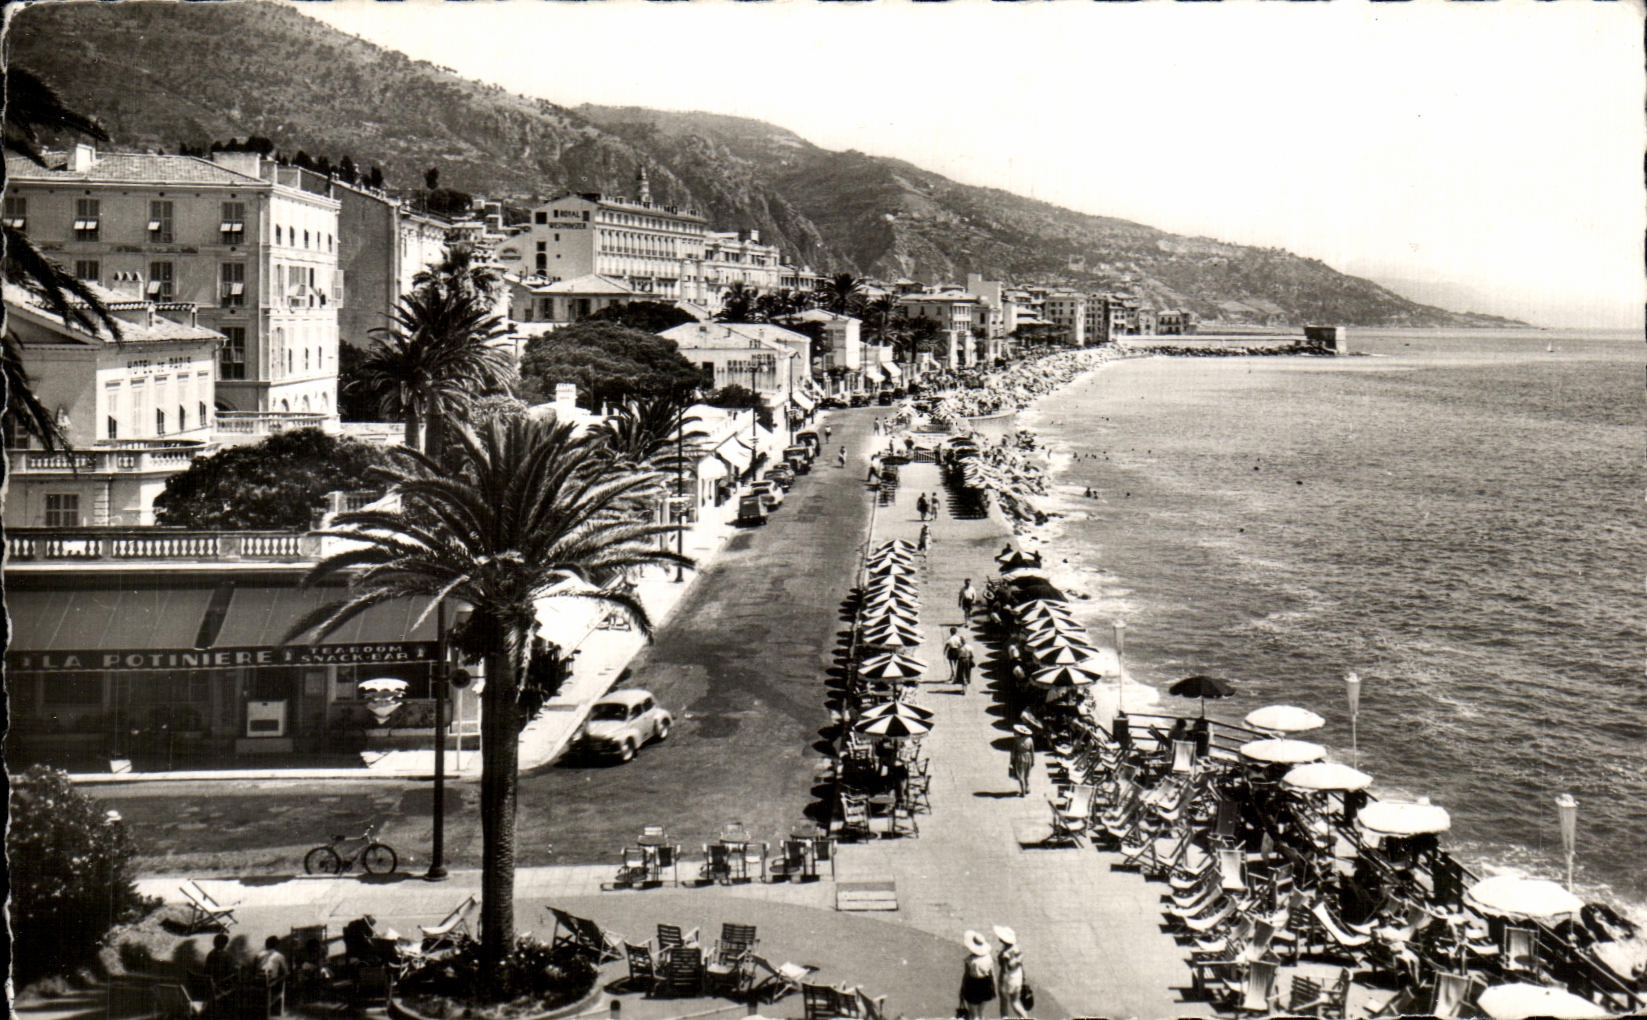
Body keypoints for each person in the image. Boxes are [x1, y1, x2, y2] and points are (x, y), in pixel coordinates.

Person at [958, 931, 996, 1020]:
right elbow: (992, 974)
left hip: (973, 984)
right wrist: (993, 987)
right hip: (986, 983)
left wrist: (962, 989)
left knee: (973, 1013)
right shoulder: (989, 958)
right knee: (981, 1012)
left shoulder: (970, 960)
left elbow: (966, 975)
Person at [994, 926, 1029, 1018]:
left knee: (1004, 1003)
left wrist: (1001, 957)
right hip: (1017, 978)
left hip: (1007, 980)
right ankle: (1025, 1017)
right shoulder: (1018, 949)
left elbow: (1005, 969)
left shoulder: (1005, 954)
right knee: (1015, 1001)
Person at [1009, 724, 1035, 797]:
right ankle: (1027, 788)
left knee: (1020, 775)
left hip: (1020, 758)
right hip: (1028, 757)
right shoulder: (1030, 739)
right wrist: (1033, 760)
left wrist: (1011, 762)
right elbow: (1032, 751)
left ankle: (1023, 792)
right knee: (1026, 775)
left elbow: (1013, 752)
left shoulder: (1016, 740)